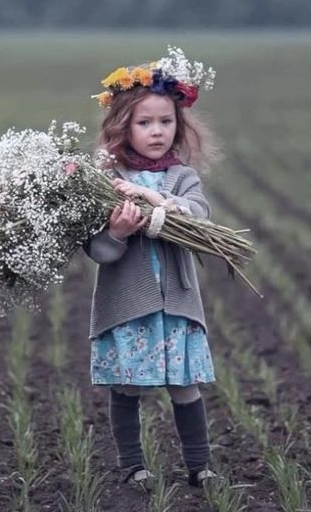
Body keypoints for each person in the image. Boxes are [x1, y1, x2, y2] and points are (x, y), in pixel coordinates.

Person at [84, 47, 220, 488]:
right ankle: (133, 467)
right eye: (145, 123)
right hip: (131, 306)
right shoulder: (107, 182)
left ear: (179, 125)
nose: (157, 131)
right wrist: (118, 232)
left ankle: (200, 467)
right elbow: (99, 252)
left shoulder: (182, 177)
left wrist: (156, 201)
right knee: (127, 386)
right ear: (123, 127)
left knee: (186, 386)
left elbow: (198, 217)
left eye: (166, 121)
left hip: (177, 305)